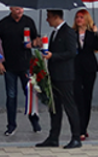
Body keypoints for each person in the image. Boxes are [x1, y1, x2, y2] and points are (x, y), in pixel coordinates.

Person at [35, 9, 81, 149]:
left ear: (56, 17)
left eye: (49, 17)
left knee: (69, 105)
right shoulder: (54, 32)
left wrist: (53, 56)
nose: (47, 20)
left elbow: (72, 52)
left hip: (65, 76)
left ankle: (76, 137)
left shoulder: (68, 31)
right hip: (53, 75)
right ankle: (53, 137)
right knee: (54, 107)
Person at [0, 6, 41, 136]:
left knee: (30, 95)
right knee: (11, 96)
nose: (19, 11)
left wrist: (35, 42)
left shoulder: (28, 22)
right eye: (16, 9)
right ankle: (11, 125)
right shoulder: (3, 24)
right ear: (11, 9)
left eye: (21, 8)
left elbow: (36, 40)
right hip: (9, 66)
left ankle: (35, 121)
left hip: (26, 64)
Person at [72, 8, 98, 141]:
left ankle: (84, 128)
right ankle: (79, 128)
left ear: (87, 19)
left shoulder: (91, 32)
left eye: (81, 17)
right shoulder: (72, 33)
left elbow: (97, 47)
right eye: (77, 17)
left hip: (89, 68)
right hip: (76, 68)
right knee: (78, 98)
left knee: (87, 98)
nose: (79, 19)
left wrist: (96, 33)